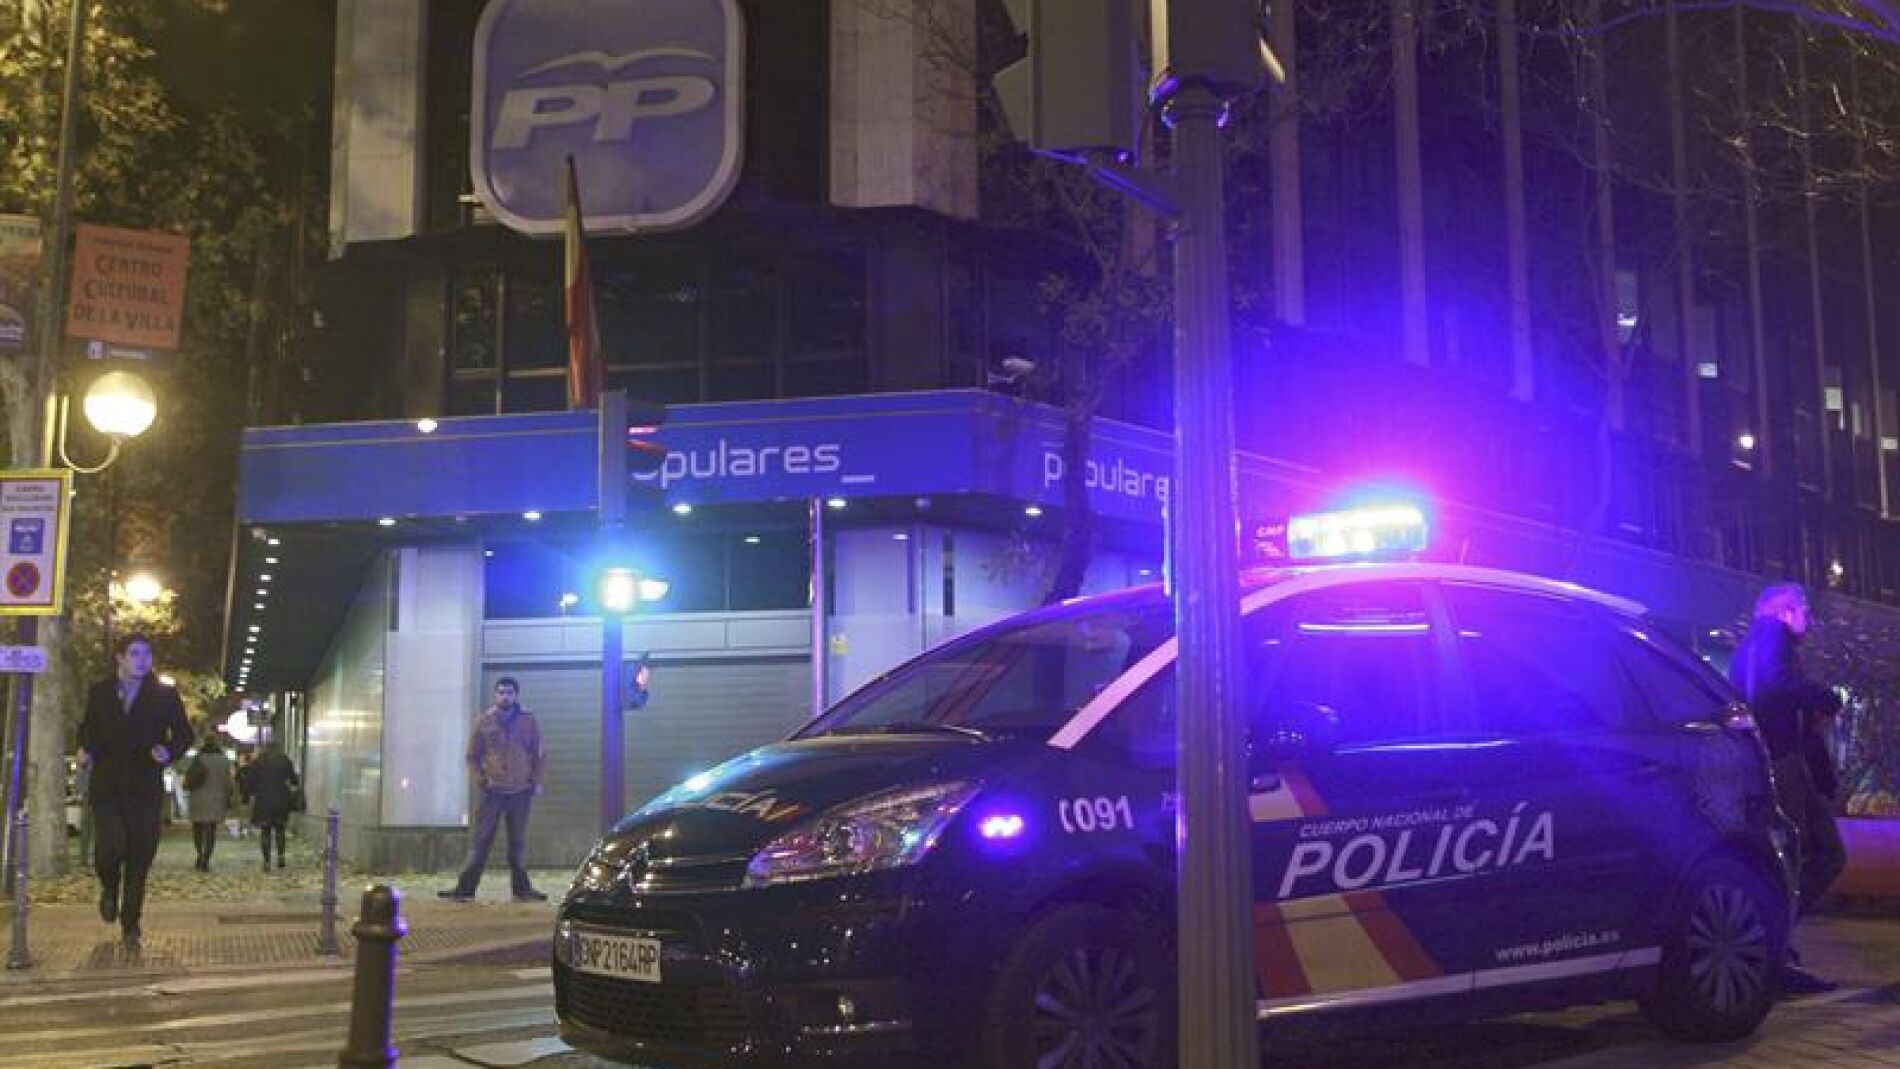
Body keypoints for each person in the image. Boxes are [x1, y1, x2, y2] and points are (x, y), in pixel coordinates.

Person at [1728, 583, 1847, 995]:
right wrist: (1825, 696)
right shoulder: (1771, 639)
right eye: (1804, 610)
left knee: (1812, 856)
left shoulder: (1752, 647)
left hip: (1781, 765)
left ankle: (1771, 944)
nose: (1809, 619)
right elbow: (1774, 686)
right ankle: (1771, 951)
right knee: (1805, 858)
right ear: (1784, 613)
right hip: (1781, 766)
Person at [76, 633, 194, 946]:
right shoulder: (99, 692)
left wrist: (167, 752)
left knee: (140, 858)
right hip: (108, 786)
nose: (143, 659)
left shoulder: (164, 695)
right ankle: (109, 888)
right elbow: (88, 728)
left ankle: (131, 922)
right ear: (120, 658)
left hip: (144, 786)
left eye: (147, 654)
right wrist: (85, 749)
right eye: (135, 653)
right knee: (108, 850)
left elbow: (184, 734)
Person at [440, 677, 547, 902]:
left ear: (516, 695)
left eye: (509, 692)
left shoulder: (529, 721)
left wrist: (534, 781)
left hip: (520, 792)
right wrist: (480, 779)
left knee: (517, 843)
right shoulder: (483, 721)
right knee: (480, 841)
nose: (505, 696)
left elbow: (539, 753)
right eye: (501, 692)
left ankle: (522, 890)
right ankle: (465, 889)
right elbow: (472, 756)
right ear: (495, 695)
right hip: (492, 792)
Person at [243, 741, 301, 870]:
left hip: (263, 800)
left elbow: (250, 781)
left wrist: (249, 795)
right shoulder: (285, 760)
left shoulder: (259, 761)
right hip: (281, 799)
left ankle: (267, 861)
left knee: (265, 831)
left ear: (265, 749)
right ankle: (281, 856)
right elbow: (294, 781)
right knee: (280, 830)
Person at [184, 733, 236, 871]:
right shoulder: (224, 760)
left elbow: (188, 776)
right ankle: (206, 858)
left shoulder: (197, 758)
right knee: (211, 830)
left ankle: (200, 854)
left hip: (198, 798)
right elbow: (228, 781)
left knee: (198, 828)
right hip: (217, 798)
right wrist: (229, 796)